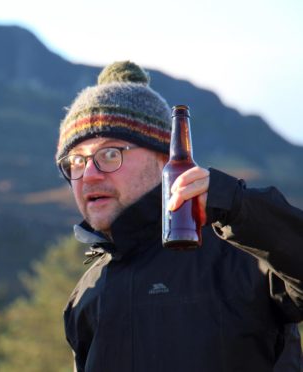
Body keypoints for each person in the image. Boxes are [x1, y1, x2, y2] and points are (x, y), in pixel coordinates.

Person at [57, 61, 303, 371]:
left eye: (109, 153)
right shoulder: (87, 294)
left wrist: (235, 204)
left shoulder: (243, 251)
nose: (88, 175)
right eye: (76, 162)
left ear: (165, 159)